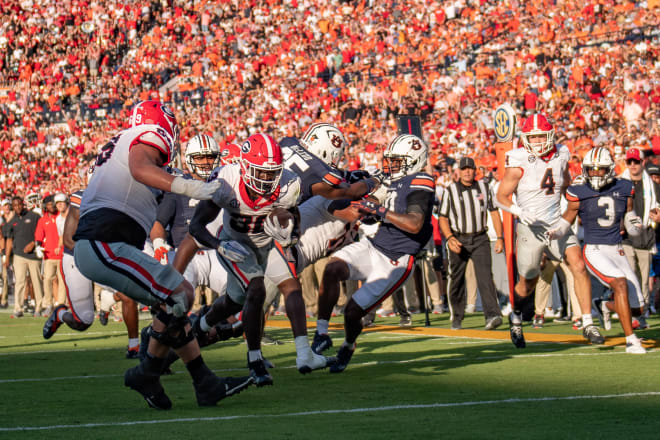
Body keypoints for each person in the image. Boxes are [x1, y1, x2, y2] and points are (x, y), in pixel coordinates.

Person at [71, 100, 253, 409]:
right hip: (104, 241)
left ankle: (202, 383)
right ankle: (150, 372)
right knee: (179, 293)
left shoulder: (119, 144)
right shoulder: (147, 135)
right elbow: (141, 168)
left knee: (175, 302)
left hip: (107, 241)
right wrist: (193, 188)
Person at [187, 132, 325, 386]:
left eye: (272, 172)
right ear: (245, 166)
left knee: (285, 288)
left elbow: (294, 219)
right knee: (254, 291)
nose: (267, 178)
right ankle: (254, 359)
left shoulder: (288, 184)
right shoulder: (225, 181)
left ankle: (305, 354)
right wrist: (219, 246)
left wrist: (291, 234)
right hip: (236, 243)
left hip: (266, 243)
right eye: (260, 172)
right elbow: (196, 227)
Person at [313, 134, 435, 372]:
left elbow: (414, 223)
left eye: (398, 161)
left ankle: (348, 346)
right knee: (332, 268)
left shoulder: (421, 182)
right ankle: (321, 333)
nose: (392, 165)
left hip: (395, 261)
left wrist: (379, 210)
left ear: (414, 161)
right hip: (373, 245)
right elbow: (373, 206)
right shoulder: (394, 182)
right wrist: (367, 209)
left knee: (351, 313)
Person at [496, 114, 604, 348]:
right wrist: (517, 211)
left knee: (578, 264)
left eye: (539, 137)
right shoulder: (518, 160)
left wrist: (568, 214)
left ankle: (587, 322)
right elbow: (500, 196)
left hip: (556, 221)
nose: (536, 142)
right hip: (530, 226)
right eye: (532, 138)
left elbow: (565, 183)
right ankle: (516, 314)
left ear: (549, 136)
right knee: (529, 280)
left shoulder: (562, 153)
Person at [548, 147, 647, 353]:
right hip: (594, 249)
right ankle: (631, 340)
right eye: (590, 169)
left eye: (599, 169)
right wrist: (557, 231)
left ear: (609, 169)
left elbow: (629, 211)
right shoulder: (579, 190)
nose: (594, 173)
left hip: (617, 250)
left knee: (638, 308)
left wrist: (633, 223)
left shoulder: (624, 186)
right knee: (619, 284)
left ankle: (604, 304)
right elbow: (569, 216)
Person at [43, 189, 143, 359]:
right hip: (76, 258)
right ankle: (60, 314)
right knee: (83, 322)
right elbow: (68, 240)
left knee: (129, 293)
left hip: (101, 256)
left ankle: (134, 346)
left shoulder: (119, 198)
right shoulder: (81, 198)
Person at [438, 156, 504, 330]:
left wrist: (500, 237)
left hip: (480, 237)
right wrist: (450, 237)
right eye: (464, 168)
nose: (467, 171)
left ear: (475, 170)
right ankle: (457, 317)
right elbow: (443, 217)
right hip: (458, 238)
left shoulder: (484, 187)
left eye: (470, 168)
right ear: (458, 171)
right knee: (456, 278)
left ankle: (492, 315)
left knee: (485, 276)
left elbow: (494, 212)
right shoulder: (450, 190)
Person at [620, 147, 657, 328]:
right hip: (625, 237)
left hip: (645, 237)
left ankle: (642, 313)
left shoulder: (653, 186)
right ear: (626, 163)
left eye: (636, 161)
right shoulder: (619, 183)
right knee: (630, 276)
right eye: (630, 162)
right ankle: (632, 314)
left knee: (644, 280)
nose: (633, 165)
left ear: (643, 162)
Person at [5, 196, 43, 318]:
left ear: (23, 204)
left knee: (36, 282)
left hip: (33, 256)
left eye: (19, 205)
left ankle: (39, 307)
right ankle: (18, 309)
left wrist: (34, 243)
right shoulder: (13, 220)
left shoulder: (34, 216)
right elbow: (9, 239)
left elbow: (41, 232)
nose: (17, 207)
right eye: (15, 206)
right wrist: (7, 257)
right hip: (18, 255)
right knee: (19, 283)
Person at [35, 194, 62, 317]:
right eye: (50, 204)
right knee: (47, 281)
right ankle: (49, 304)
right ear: (46, 206)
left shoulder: (61, 217)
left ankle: (61, 305)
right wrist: (38, 247)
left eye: (53, 203)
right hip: (49, 255)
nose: (52, 206)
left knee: (62, 281)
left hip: (62, 254)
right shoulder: (42, 220)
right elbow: (39, 236)